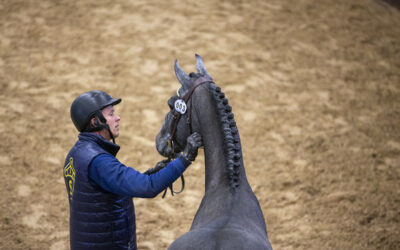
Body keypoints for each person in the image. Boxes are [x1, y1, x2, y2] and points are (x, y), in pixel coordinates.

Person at [63, 90, 202, 250]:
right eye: (111, 114)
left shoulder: (77, 153)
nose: (117, 118)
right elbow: (148, 187)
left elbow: (106, 190)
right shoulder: (99, 161)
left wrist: (151, 173)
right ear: (95, 122)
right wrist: (185, 159)